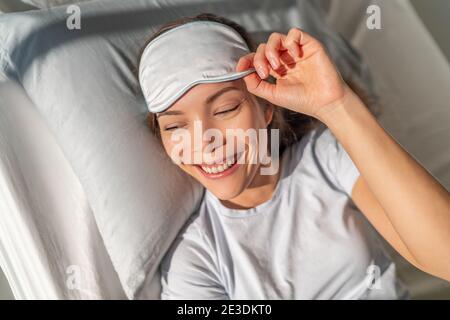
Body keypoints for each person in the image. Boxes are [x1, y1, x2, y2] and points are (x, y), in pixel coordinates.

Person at [137, 13, 450, 299]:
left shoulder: (325, 158)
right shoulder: (195, 258)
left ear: (267, 106)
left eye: (226, 109)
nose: (205, 142)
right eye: (175, 125)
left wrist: (336, 106)